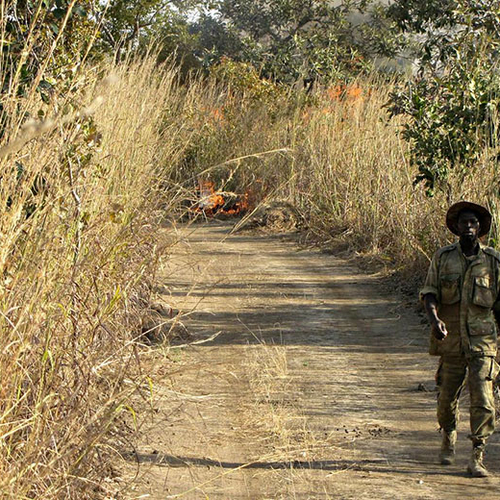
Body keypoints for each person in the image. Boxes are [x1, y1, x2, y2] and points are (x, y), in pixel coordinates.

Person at [421, 201, 500, 477]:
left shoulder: (493, 261)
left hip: (483, 343)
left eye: (473, 223)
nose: (468, 227)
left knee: (483, 399)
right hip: (451, 340)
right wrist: (435, 320)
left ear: (479, 229)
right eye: (463, 222)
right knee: (446, 397)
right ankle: (448, 436)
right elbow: (429, 292)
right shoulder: (443, 258)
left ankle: (477, 455)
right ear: (456, 227)